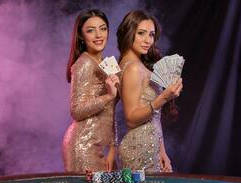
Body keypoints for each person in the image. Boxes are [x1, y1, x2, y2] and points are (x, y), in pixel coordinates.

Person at [116, 10, 183, 172]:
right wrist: (164, 98)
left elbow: (153, 118)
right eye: (141, 33)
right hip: (139, 148)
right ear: (128, 32)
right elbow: (131, 118)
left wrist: (162, 151)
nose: (148, 40)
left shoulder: (133, 65)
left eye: (151, 35)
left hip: (149, 145)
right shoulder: (133, 68)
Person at [62, 9, 120, 172]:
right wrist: (108, 96)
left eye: (103, 28)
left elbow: (112, 110)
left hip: (101, 145)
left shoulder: (106, 63)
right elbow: (76, 111)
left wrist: (113, 147)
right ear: (81, 36)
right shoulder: (84, 64)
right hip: (83, 146)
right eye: (90, 30)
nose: (98, 35)